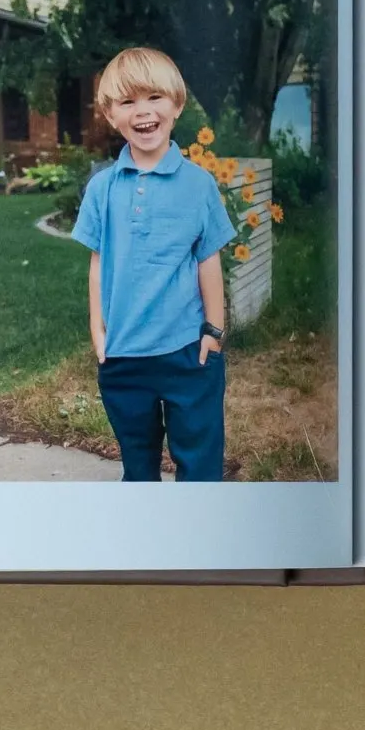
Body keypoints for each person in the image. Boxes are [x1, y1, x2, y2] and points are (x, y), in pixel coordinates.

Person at [73, 46, 235, 481]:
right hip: (124, 357)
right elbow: (98, 263)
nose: (142, 112)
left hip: (187, 353)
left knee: (199, 467)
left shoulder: (199, 186)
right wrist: (97, 330)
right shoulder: (101, 189)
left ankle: (194, 544)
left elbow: (208, 262)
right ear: (111, 115)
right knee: (138, 469)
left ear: (177, 105)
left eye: (154, 98)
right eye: (127, 102)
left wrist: (214, 334)